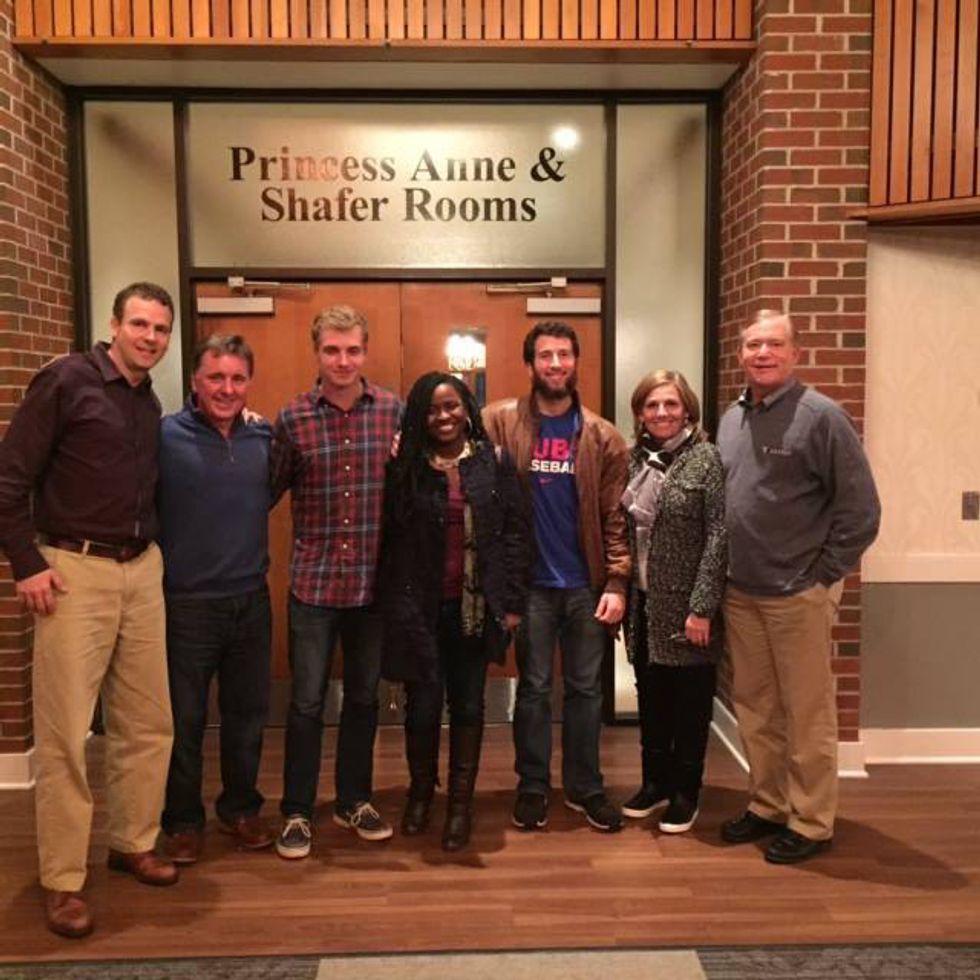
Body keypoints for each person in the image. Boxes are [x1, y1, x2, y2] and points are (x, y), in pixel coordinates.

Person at [0, 283, 179, 939]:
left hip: (142, 569)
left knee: (148, 722)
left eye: (160, 329)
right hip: (73, 572)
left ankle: (133, 840)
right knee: (66, 735)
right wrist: (27, 563)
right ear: (115, 324)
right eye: (140, 324)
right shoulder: (65, 381)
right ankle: (63, 879)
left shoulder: (147, 401)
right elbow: (8, 479)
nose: (150, 337)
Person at [717, 309, 880, 864]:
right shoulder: (732, 418)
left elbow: (861, 510)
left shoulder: (821, 417)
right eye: (753, 345)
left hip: (797, 594)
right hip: (742, 591)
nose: (762, 353)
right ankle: (768, 804)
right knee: (755, 708)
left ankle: (811, 821)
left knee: (807, 713)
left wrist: (823, 575)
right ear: (741, 354)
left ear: (795, 353)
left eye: (774, 344)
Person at [483, 321, 630, 834]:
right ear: (530, 364)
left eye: (564, 354)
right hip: (531, 588)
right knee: (534, 689)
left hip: (586, 586)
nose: (555, 364)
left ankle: (586, 787)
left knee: (587, 691)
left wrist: (617, 582)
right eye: (545, 355)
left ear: (575, 361)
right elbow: (446, 438)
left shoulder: (602, 436)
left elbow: (615, 517)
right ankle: (532, 786)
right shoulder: (499, 422)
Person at [271, 304, 402, 859]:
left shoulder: (394, 412)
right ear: (317, 352)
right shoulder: (292, 418)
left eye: (352, 350)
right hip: (314, 586)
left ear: (365, 352)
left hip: (373, 588)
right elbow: (265, 488)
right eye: (332, 350)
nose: (342, 361)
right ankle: (297, 810)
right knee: (305, 703)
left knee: (364, 699)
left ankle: (353, 799)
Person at [379, 372, 529, 851]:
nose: (443, 416)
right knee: (422, 708)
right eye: (432, 409)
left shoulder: (493, 461)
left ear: (467, 409)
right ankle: (421, 794)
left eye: (451, 406)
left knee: (467, 706)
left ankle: (460, 805)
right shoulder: (405, 465)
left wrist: (511, 605)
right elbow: (391, 538)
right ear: (418, 417)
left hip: (474, 609)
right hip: (419, 610)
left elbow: (514, 534)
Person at [157, 334, 275, 864]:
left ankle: (240, 809)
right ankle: (183, 822)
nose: (227, 389)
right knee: (183, 720)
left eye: (237, 378)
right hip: (187, 604)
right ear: (195, 381)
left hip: (250, 599)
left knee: (247, 715)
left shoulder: (264, 436)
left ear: (249, 383)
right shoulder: (165, 437)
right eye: (216, 377)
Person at [620, 370, 726, 835]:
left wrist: (702, 607)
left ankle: (686, 793)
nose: (661, 413)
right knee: (652, 700)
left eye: (671, 404)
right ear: (640, 413)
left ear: (687, 411)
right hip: (643, 604)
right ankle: (655, 784)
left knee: (690, 705)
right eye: (652, 405)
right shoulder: (632, 461)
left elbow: (718, 536)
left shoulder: (706, 459)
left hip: (688, 607)